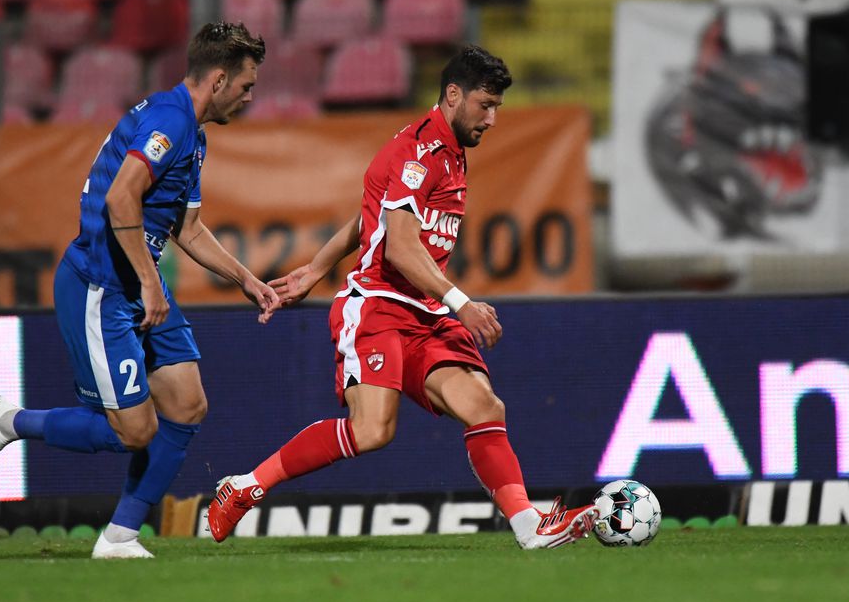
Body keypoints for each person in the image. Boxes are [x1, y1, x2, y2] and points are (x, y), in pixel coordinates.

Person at [207, 46, 598, 549]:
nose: (492, 119)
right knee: (372, 431)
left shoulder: (449, 151)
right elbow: (400, 247)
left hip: (424, 313)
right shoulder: (421, 152)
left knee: (484, 406)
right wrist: (462, 302)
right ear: (453, 95)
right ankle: (245, 487)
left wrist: (316, 268)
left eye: (497, 107)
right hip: (379, 305)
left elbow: (370, 214)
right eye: (485, 105)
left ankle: (528, 526)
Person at [0, 22, 280, 559]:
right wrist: (152, 284)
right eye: (247, 85)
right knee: (133, 431)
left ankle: (119, 537)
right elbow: (120, 198)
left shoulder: (192, 133)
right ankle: (7, 421)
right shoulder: (170, 121)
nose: (250, 96)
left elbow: (187, 228)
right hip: (101, 287)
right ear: (219, 79)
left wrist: (246, 280)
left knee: (187, 403)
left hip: (135, 285)